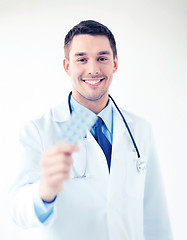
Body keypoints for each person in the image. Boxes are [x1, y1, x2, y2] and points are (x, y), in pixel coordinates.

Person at [9, 20, 173, 240]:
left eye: (102, 58)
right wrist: (44, 191)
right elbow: (17, 211)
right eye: (82, 59)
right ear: (67, 66)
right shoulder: (39, 130)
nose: (93, 69)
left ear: (115, 64)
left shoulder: (140, 130)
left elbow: (155, 217)